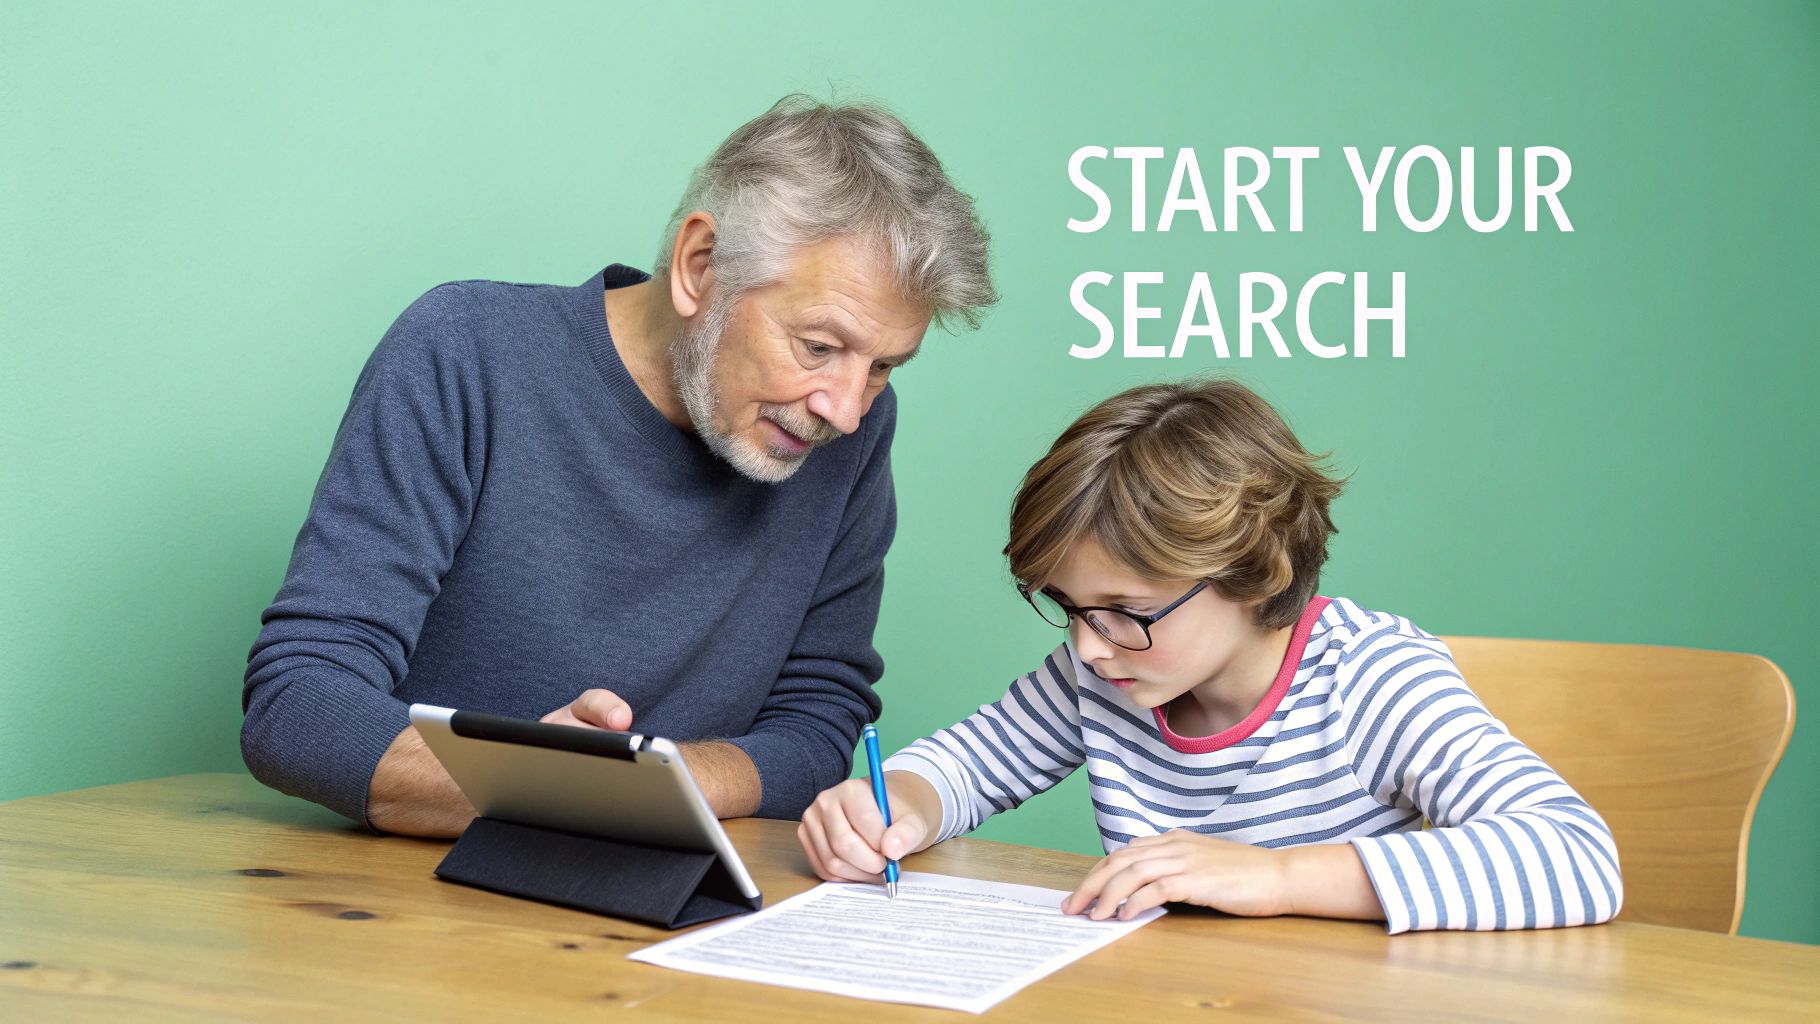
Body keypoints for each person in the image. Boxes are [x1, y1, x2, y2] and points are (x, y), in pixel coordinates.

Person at [241, 95, 996, 837]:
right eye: (819, 347)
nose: (847, 409)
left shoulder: (851, 431)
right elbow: (300, 702)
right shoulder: (466, 352)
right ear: (700, 266)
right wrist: (542, 782)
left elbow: (821, 722)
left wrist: (645, 781)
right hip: (418, 912)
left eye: (885, 367)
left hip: (682, 911)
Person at [797, 378, 1623, 933]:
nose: (1087, 645)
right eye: (1070, 608)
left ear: (1256, 571)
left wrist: (1281, 879)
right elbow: (968, 767)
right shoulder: (1104, 675)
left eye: (1126, 611)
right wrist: (891, 804)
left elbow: (1577, 856)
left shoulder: (1373, 679)